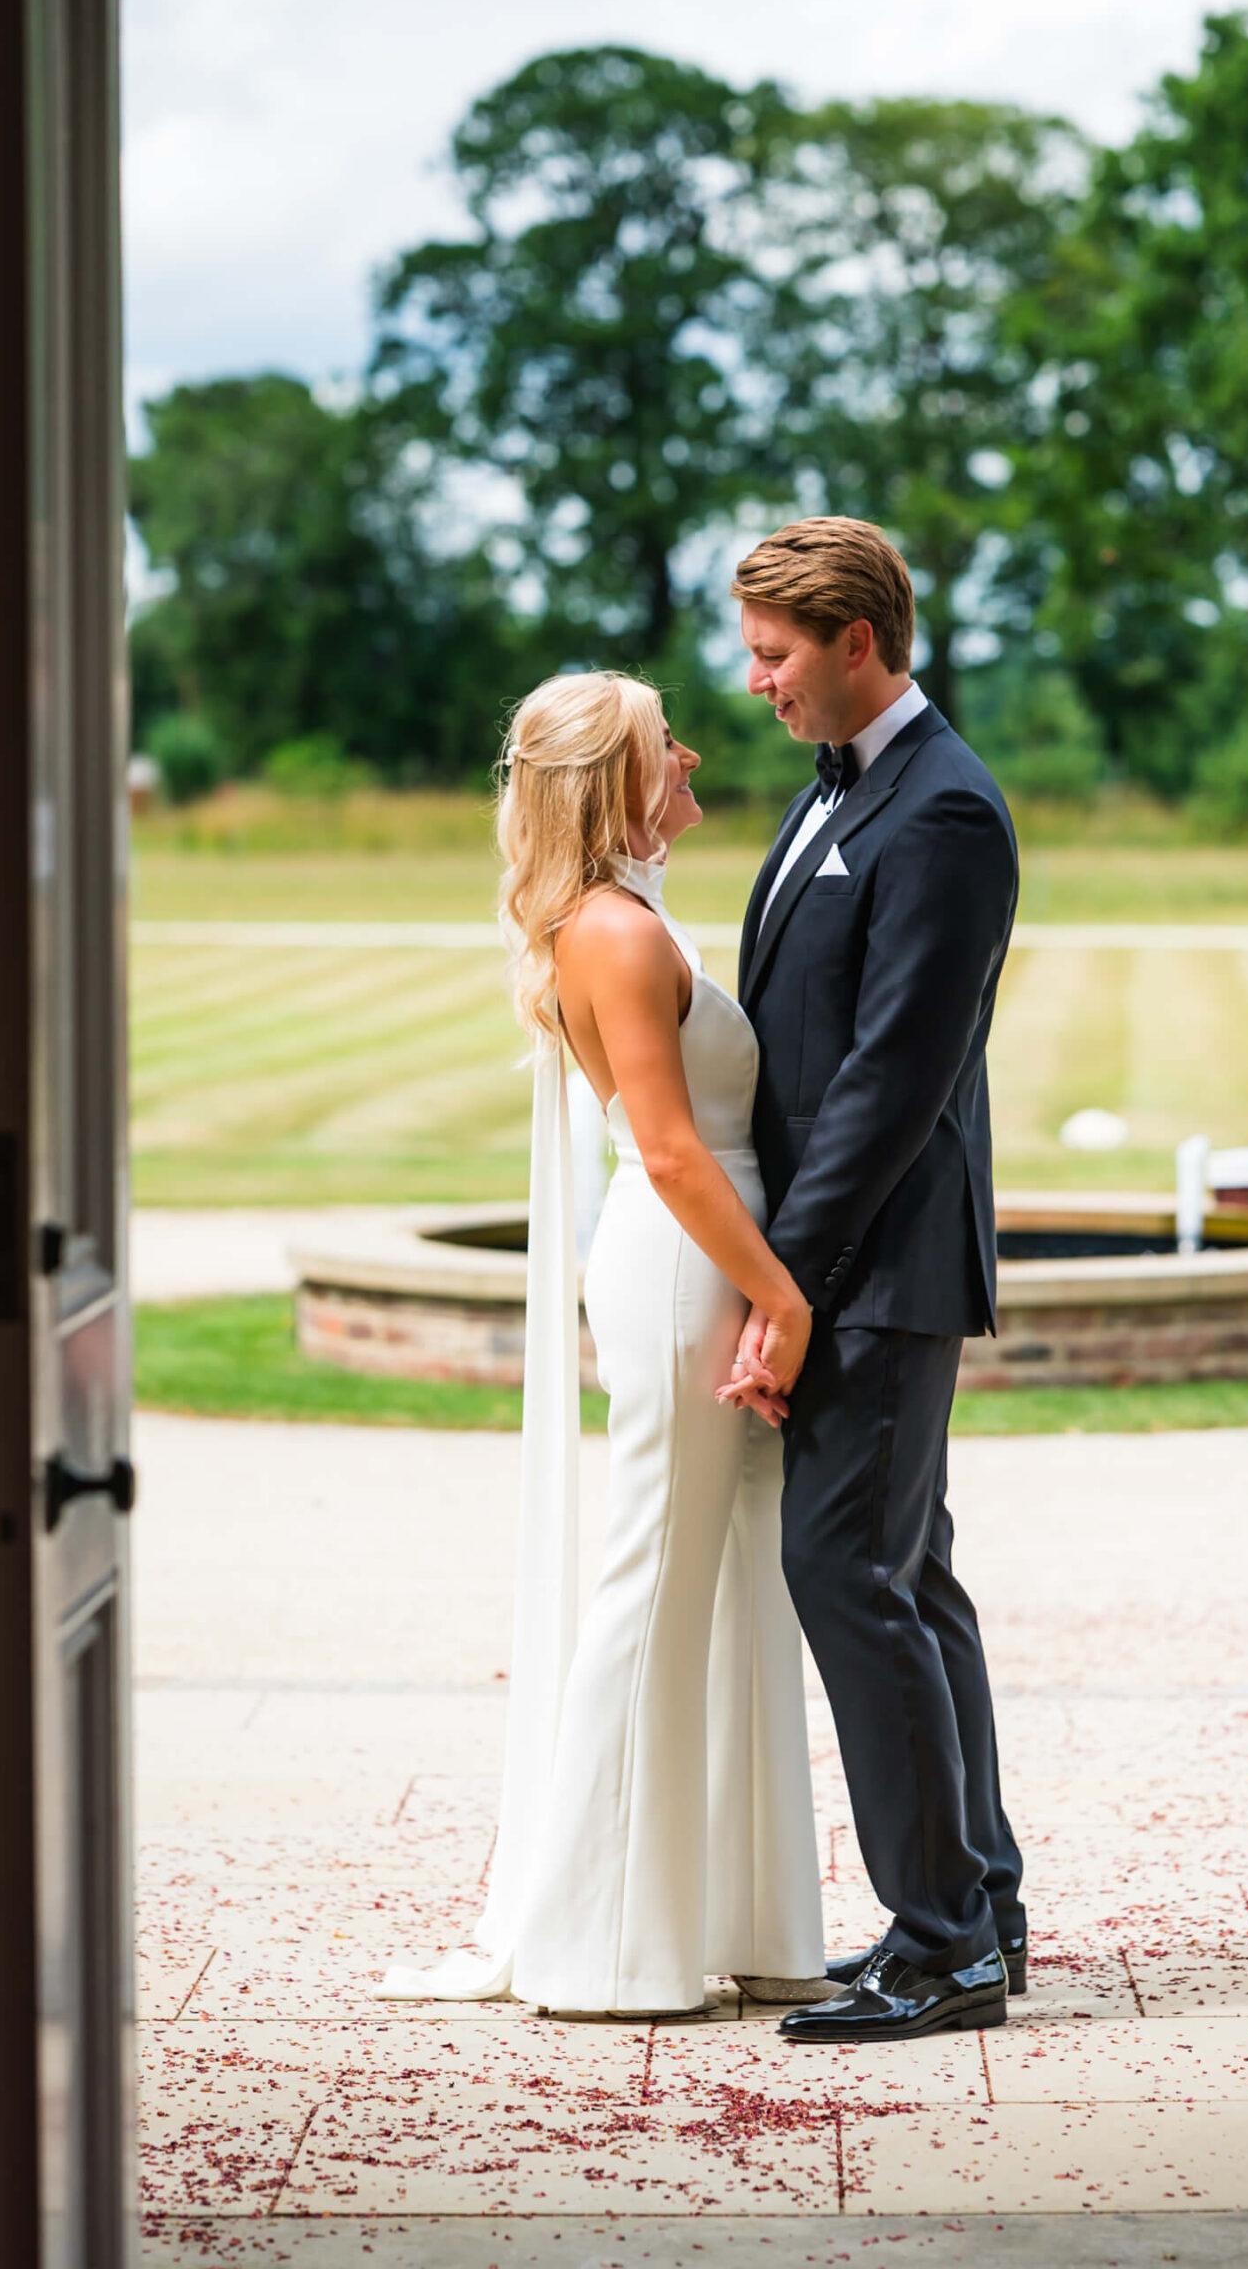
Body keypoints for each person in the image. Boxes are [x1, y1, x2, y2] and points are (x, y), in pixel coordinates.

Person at [379, 671, 826, 2016]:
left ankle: (738, 1919)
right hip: (691, 1265)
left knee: (734, 1583)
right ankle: (607, 1946)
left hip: (707, 1257)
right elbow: (674, 1153)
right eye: (661, 743)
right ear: (614, 780)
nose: (689, 755)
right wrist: (782, 1301)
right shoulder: (616, 935)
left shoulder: (630, 916)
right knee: (657, 1578)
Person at [730, 517, 1026, 2046]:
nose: (757, 681)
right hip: (843, 1259)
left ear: (858, 642)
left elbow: (892, 1081)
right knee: (909, 1574)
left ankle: (944, 1944)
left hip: (881, 1263)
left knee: (847, 1571)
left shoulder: (945, 810)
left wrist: (784, 1284)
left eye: (775, 653)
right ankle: (980, 1905)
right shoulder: (836, 785)